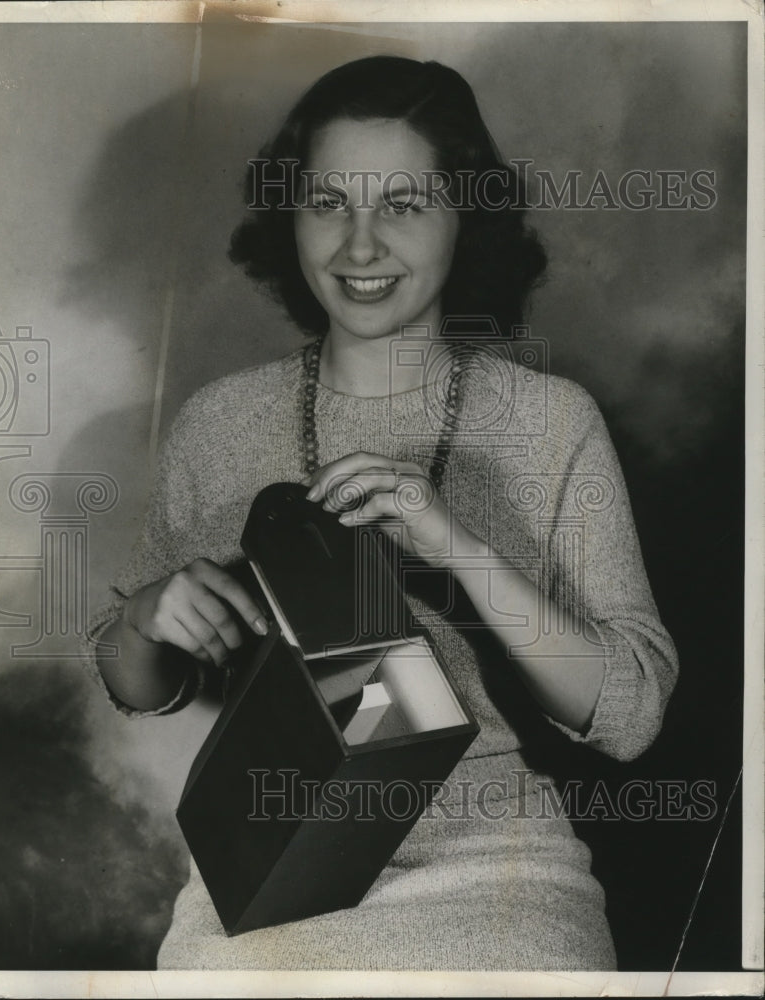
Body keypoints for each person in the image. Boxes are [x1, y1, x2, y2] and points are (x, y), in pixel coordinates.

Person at [84, 55, 679, 970]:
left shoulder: (551, 422)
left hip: (497, 873)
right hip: (268, 864)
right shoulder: (217, 423)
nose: (358, 246)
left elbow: (630, 718)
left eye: (401, 205)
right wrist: (144, 614)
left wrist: (451, 539)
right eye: (328, 203)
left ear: (464, 215)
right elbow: (142, 687)